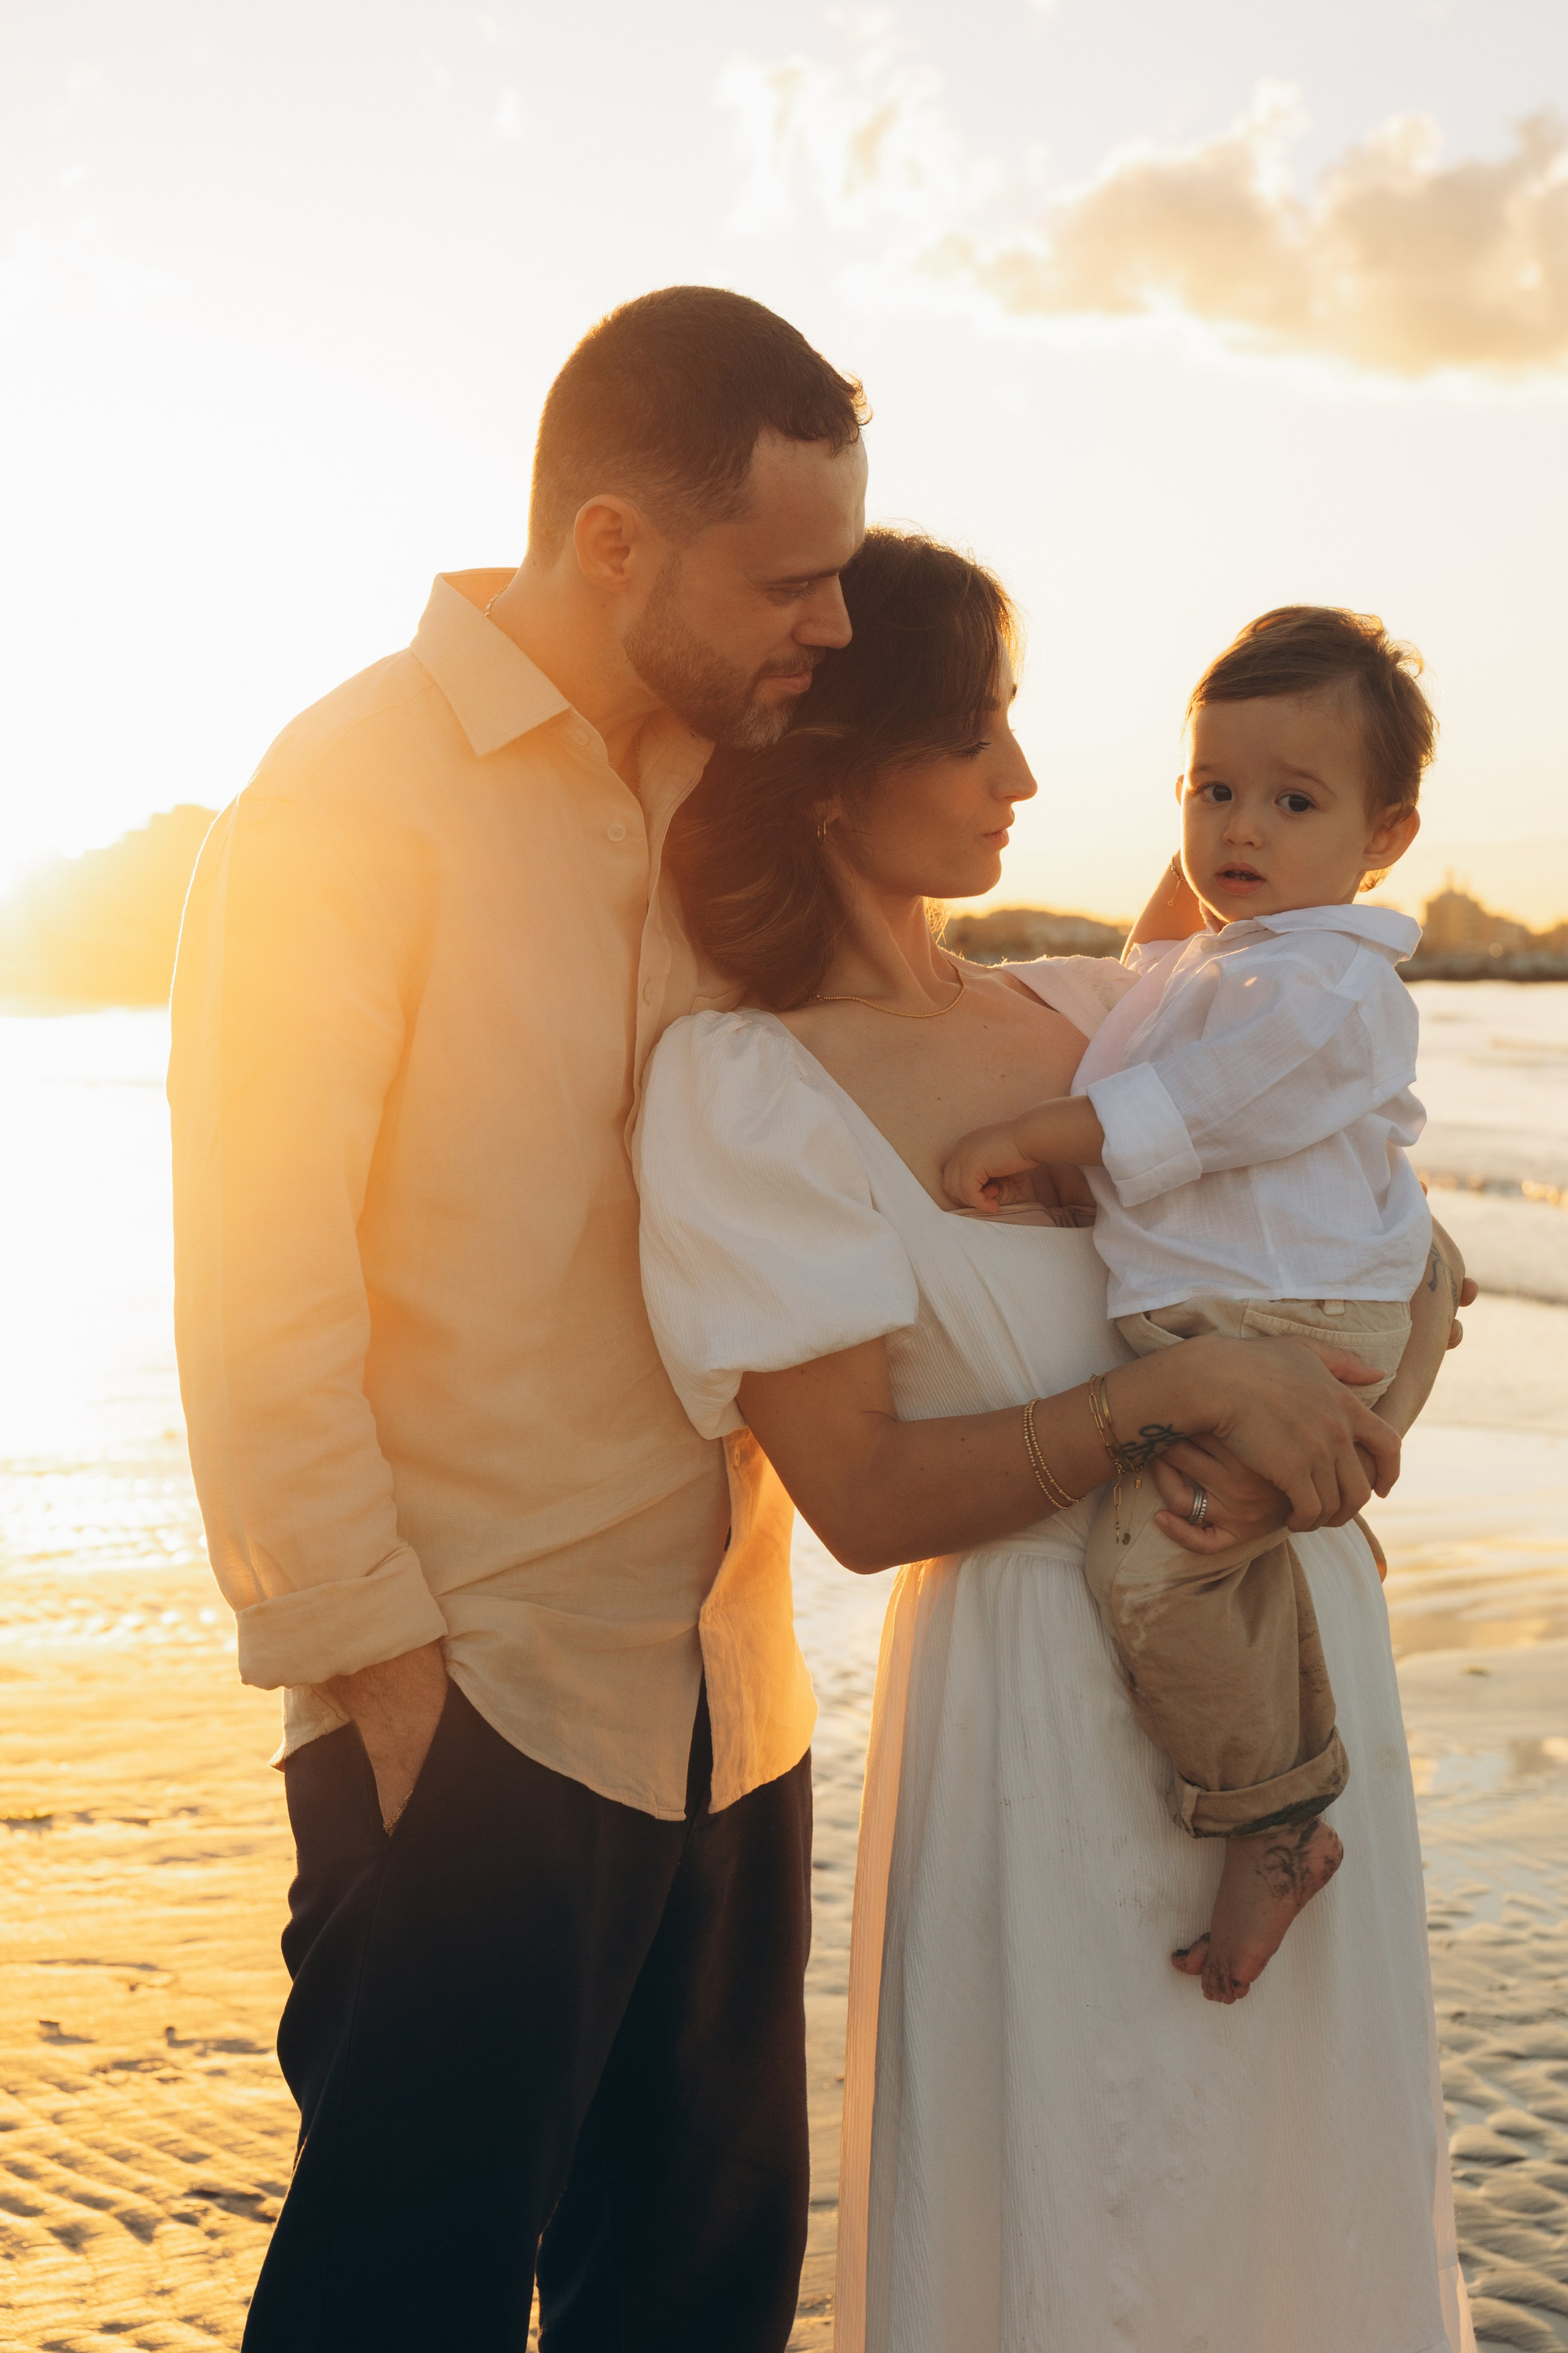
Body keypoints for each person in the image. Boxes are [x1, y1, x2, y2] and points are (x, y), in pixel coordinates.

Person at [638, 529, 1476, 2353]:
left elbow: (1357, 1191)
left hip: (1303, 1657)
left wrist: (1363, 1397)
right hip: (1038, 1707)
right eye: (975, 732)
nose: (1025, 776)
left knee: (1296, 2219)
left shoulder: (1109, 1013)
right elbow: (858, 1500)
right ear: (834, 772)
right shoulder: (750, 1088)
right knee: (1079, 2225)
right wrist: (1170, 1397)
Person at [167, 285, 869, 2352]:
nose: (831, 625)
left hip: (738, 1713)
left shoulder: (750, 804)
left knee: (702, 2314)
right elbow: (258, 1281)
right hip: (482, 1710)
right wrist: (390, 1689)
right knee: (398, 2315)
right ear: (615, 543)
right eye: (790, 579)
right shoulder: (347, 796)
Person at [941, 605, 1436, 2004]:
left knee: (1153, 1567)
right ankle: (1303, 1603)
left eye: (1293, 801)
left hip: (1283, 1323)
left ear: (1386, 833)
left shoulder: (1326, 983)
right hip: (1262, 1311)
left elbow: (1199, 1105)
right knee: (1219, 1553)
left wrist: (1039, 1136)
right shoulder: (1233, 959)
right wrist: (1197, 862)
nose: (1241, 828)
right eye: (1212, 791)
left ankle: (1270, 1814)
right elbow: (1148, 985)